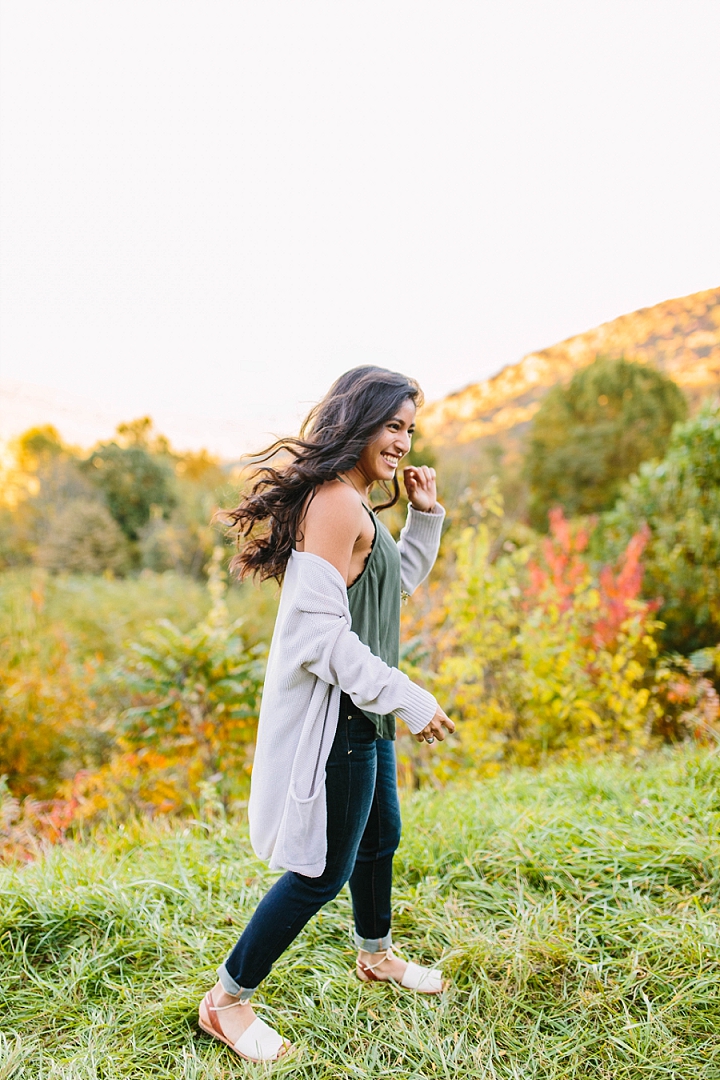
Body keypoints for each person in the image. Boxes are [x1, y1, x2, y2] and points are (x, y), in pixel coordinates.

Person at [198, 366, 455, 1063]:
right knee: (321, 872)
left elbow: (387, 586)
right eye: (393, 425)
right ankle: (224, 1002)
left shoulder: (358, 507)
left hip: (363, 712)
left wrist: (423, 515)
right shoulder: (337, 504)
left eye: (410, 429)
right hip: (340, 720)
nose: (403, 441)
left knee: (381, 839)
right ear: (358, 421)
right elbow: (320, 639)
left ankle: (375, 956)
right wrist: (408, 696)